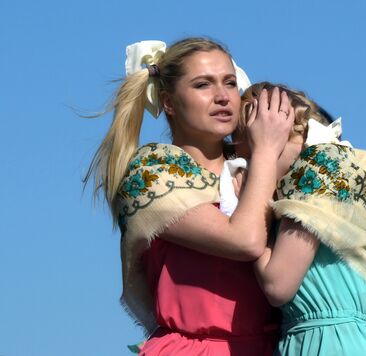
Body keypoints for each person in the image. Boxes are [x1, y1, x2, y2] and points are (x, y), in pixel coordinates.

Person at [84, 39, 294, 355]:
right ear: (168, 102)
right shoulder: (152, 170)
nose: (223, 96)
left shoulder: (256, 171)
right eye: (202, 85)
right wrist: (266, 149)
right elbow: (245, 240)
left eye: (230, 83)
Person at [235, 82, 366, 355]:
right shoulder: (343, 195)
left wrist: (246, 210)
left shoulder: (308, 185)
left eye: (249, 157)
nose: (251, 169)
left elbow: (277, 285)